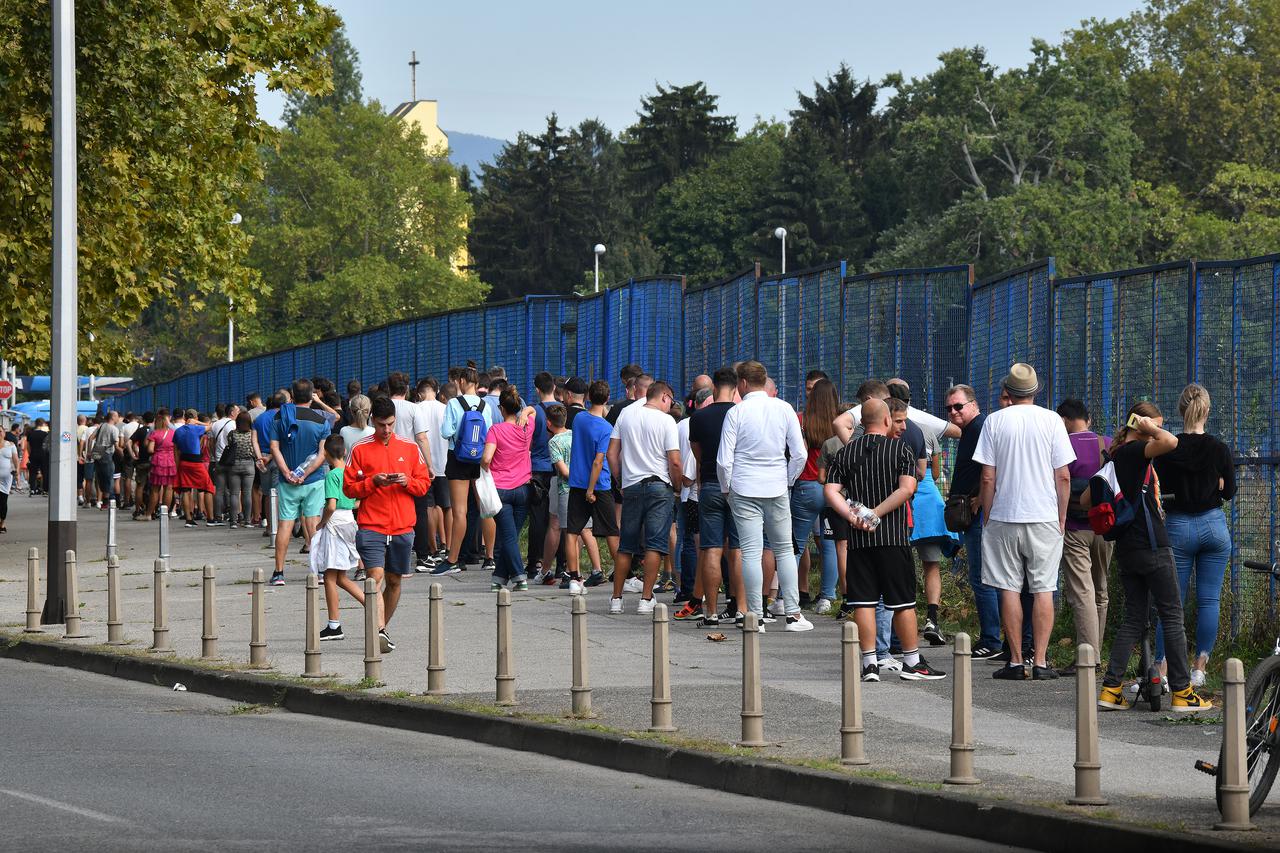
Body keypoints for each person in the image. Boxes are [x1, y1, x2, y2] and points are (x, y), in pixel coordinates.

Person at [1095, 403, 1211, 713]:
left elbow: (1087, 497)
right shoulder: (1135, 452)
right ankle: (1183, 692)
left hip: (1127, 549)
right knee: (1172, 616)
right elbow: (1171, 442)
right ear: (1140, 424)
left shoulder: (1113, 457)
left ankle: (1111, 689)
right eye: (1154, 424)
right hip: (1152, 546)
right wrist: (1149, 428)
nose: (1158, 430)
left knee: (1133, 618)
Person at [825, 397, 945, 681]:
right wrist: (875, 514)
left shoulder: (846, 451)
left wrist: (854, 516)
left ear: (861, 423)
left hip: (858, 541)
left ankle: (869, 663)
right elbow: (907, 488)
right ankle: (912, 662)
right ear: (887, 420)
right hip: (892, 537)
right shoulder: (900, 450)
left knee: (864, 602)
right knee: (902, 602)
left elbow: (830, 491)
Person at [973, 364, 1074, 680]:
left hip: (1004, 515)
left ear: (1009, 391)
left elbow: (987, 476)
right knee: (1044, 588)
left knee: (1009, 588)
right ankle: (1040, 661)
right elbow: (1063, 475)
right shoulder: (1052, 420)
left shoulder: (994, 421)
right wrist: (1061, 514)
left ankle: (1016, 661)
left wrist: (987, 513)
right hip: (1044, 515)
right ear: (1035, 390)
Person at [717, 361, 812, 632]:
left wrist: (727, 488)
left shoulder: (736, 412)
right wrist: (787, 479)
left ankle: (755, 616)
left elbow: (724, 460)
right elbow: (800, 454)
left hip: (744, 487)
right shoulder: (784, 409)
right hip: (776, 487)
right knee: (784, 550)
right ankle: (793, 614)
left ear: (743, 383)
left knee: (750, 552)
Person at [1153, 383, 1236, 689]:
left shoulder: (1168, 448)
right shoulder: (1219, 449)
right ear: (1207, 411)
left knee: (1171, 602)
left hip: (1178, 527)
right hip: (1214, 526)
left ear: (1181, 410)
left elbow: (1159, 487)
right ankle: (1199, 668)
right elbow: (1229, 492)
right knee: (1209, 600)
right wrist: (1218, 482)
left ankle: (1162, 668)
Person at [344, 395, 431, 653]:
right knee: (375, 577)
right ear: (373, 420)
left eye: (391, 424)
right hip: (371, 524)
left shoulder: (410, 447)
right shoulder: (359, 448)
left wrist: (407, 482)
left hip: (403, 526)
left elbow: (424, 484)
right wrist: (372, 482)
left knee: (394, 581)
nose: (386, 429)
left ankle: (379, 630)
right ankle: (379, 630)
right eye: (382, 425)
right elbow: (348, 489)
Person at [607, 380, 682, 614]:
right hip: (659, 487)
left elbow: (612, 454)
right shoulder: (666, 421)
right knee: (655, 543)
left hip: (631, 486)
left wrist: (620, 480)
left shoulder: (626, 416)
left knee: (626, 545)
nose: (670, 406)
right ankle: (646, 599)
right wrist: (677, 486)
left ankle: (616, 599)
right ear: (665, 396)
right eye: (671, 401)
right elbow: (675, 461)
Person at [943, 384, 1002, 659]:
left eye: (958, 406)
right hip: (970, 512)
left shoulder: (980, 428)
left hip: (979, 514)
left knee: (982, 578)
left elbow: (992, 467)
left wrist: (980, 497)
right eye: (949, 408)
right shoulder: (970, 430)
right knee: (985, 577)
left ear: (974, 405)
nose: (953, 412)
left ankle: (991, 638)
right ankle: (998, 638)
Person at [1056, 397, 1113, 670]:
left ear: (1064, 420)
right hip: (1105, 527)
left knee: (1082, 592)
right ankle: (1096, 653)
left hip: (1074, 528)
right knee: (1101, 590)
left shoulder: (1062, 445)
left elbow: (1059, 482)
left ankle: (1088, 657)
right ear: (1087, 419)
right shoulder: (1108, 444)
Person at [690, 367, 746, 627]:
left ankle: (711, 612)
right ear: (736, 389)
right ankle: (741, 610)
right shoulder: (741, 414)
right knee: (738, 549)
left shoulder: (698, 417)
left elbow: (698, 454)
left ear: (713, 388)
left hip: (710, 484)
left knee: (711, 549)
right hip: (737, 486)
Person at [434, 365, 496, 575]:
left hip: (458, 458)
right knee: (485, 508)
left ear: (461, 381)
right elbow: (489, 432)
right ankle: (490, 557)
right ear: (476, 383)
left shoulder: (453, 403)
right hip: (479, 459)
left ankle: (452, 560)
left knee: (460, 511)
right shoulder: (485, 405)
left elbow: (446, 432)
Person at [268, 379, 330, 586]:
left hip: (287, 482)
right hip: (313, 480)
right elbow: (322, 454)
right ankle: (319, 571)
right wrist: (305, 473)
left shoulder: (280, 417)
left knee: (285, 524)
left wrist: (287, 472)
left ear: (292, 396)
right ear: (312, 395)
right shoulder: (321, 421)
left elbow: (274, 448)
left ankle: (279, 572)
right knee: (312, 523)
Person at [563, 380, 621, 594]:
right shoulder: (606, 428)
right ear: (607, 399)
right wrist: (591, 489)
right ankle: (623, 575)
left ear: (588, 397)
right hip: (599, 484)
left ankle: (574, 578)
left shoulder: (579, 418)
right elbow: (598, 461)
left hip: (577, 481)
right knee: (611, 532)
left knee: (572, 531)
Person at [792, 378, 841, 615]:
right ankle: (827, 597)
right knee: (830, 545)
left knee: (796, 544)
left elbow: (797, 453)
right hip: (834, 489)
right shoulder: (841, 422)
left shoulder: (802, 420)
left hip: (806, 486)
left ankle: (787, 597)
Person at [310, 433, 366, 641]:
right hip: (349, 521)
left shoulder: (332, 475)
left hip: (335, 526)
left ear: (326, 454)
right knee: (340, 576)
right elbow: (359, 501)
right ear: (344, 452)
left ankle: (334, 624)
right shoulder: (351, 472)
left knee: (329, 576)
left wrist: (321, 522)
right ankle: (370, 603)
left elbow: (331, 505)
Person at [482, 386, 537, 590]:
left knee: (508, 536)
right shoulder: (527, 426)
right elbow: (534, 410)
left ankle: (519, 577)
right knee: (511, 534)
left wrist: (484, 468)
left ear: (501, 408)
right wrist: (526, 411)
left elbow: (486, 458)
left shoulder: (495, 430)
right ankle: (498, 578)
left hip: (501, 490)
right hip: (524, 488)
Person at [544, 403, 603, 586]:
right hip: (585, 487)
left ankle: (574, 573)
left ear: (548, 423)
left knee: (570, 533)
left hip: (566, 489)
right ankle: (597, 569)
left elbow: (563, 471)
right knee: (586, 530)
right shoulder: (573, 434)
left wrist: (575, 476)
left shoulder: (554, 442)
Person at [387, 372, 435, 572]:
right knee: (419, 510)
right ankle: (422, 555)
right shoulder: (414, 408)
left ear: (389, 389)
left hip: (387, 461)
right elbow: (421, 438)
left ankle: (390, 552)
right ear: (407, 389)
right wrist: (429, 465)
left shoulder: (383, 406)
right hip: (411, 463)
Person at [414, 378, 451, 571]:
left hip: (424, 465)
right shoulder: (445, 408)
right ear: (436, 391)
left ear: (419, 393)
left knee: (428, 506)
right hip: (445, 463)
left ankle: (433, 548)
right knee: (447, 506)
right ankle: (449, 547)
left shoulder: (416, 408)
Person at [526, 371, 559, 580]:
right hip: (558, 469)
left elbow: (527, 442)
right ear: (554, 387)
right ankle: (559, 562)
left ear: (537, 390)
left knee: (537, 518)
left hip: (538, 469)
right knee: (557, 519)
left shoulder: (534, 412)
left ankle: (534, 562)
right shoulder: (562, 410)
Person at [174, 409, 216, 527]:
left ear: (184, 418)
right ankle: (210, 519)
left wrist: (177, 466)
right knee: (208, 488)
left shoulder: (178, 431)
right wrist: (198, 422)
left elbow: (176, 451)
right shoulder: (197, 429)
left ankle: (188, 519)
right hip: (196, 462)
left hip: (183, 462)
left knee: (186, 490)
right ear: (195, 418)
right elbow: (211, 426)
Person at [224, 412, 257, 528]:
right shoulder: (252, 433)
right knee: (247, 493)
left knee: (234, 493)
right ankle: (247, 521)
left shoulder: (232, 434)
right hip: (249, 464)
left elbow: (230, 445)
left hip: (234, 464)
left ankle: (233, 521)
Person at [146, 409, 177, 519]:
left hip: (158, 461)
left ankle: (148, 514)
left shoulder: (155, 433)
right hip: (171, 461)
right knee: (169, 488)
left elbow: (150, 449)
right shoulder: (173, 433)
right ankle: (165, 514)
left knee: (155, 489)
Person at [0, 430, 16, 532]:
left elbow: (16, 460)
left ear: (4, 433)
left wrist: (17, 473)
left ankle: (2, 523)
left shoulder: (10, 445)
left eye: (0, 431)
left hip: (6, 479)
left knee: (3, 501)